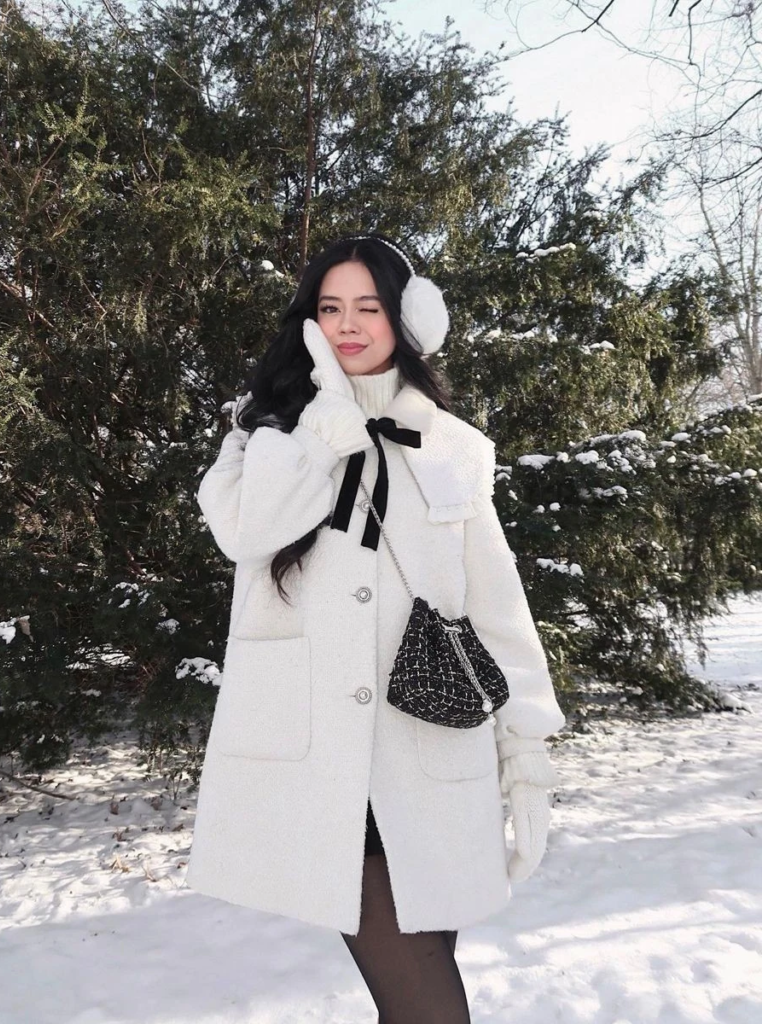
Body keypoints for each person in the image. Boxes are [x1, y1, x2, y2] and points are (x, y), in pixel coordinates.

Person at [185, 232, 566, 1023]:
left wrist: (525, 756)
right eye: (329, 308)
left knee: (420, 992)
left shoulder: (452, 449)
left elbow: (495, 607)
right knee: (427, 1005)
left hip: (430, 757)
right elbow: (248, 534)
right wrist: (324, 421)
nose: (347, 325)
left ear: (405, 319)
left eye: (369, 306)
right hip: (324, 764)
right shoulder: (264, 435)